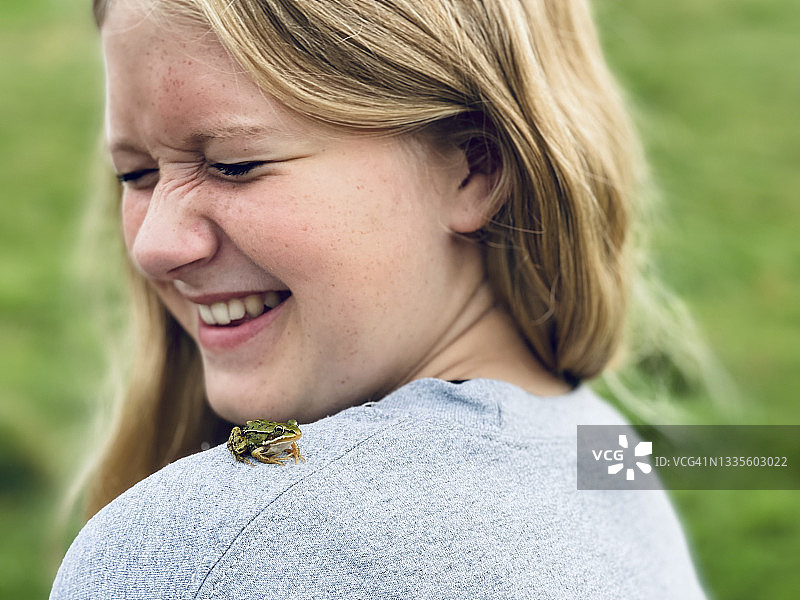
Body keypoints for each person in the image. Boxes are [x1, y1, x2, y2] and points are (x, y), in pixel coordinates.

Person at [51, 0, 707, 597]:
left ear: (473, 167)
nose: (156, 247)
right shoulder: (605, 461)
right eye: (135, 175)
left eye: (232, 164)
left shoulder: (195, 550)